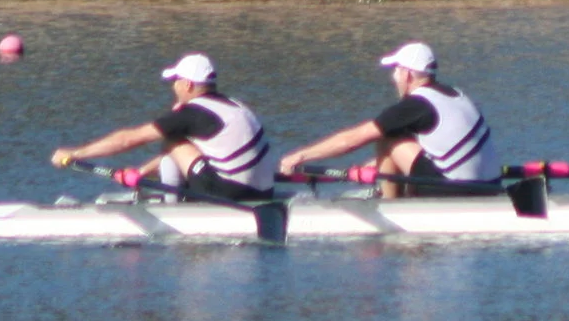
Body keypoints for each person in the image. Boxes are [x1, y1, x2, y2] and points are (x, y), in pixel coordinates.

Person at [277, 42, 500, 199]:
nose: (393, 77)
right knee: (397, 140)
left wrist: (299, 157)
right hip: (490, 187)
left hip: (457, 192)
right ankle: (396, 192)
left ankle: (390, 205)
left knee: (388, 139)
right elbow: (435, 148)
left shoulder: (416, 105)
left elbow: (352, 140)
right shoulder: (455, 95)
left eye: (396, 70)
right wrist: (379, 164)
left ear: (408, 75)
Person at [49, 53, 275, 203]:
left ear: (187, 84)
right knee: (180, 143)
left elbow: (129, 139)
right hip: (265, 193)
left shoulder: (192, 112)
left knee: (173, 139)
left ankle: (172, 208)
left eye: (175, 82)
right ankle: (175, 195)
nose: (173, 87)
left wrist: (75, 153)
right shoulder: (235, 105)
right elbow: (187, 155)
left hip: (230, 194)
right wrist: (140, 173)